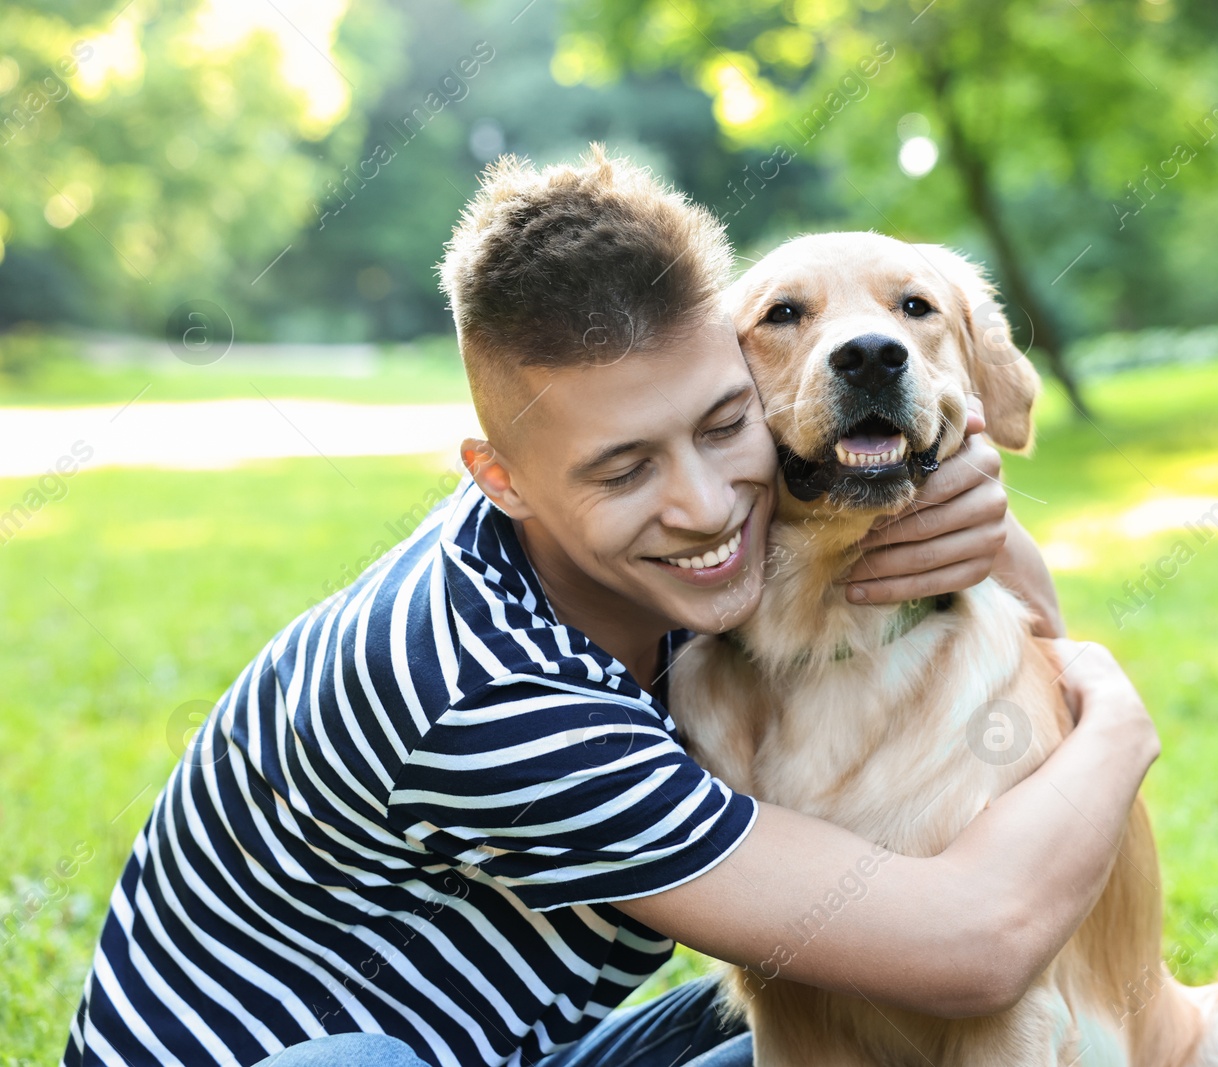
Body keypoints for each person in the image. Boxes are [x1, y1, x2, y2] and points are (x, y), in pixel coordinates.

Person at [62, 149, 1160, 1067]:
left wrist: (973, 515)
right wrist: (1114, 724)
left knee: (845, 1019)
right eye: (625, 467)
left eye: (722, 423)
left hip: (519, 1047)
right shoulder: (491, 690)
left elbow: (1003, 617)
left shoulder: (694, 555)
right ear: (500, 475)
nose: (703, 505)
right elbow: (977, 943)